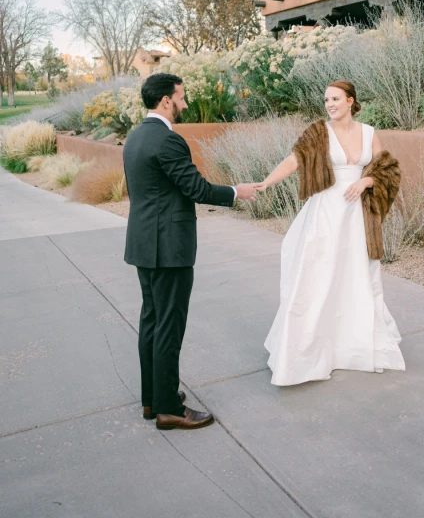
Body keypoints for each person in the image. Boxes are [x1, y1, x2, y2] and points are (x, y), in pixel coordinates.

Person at [123, 73, 257, 430]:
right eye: (180, 98)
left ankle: (153, 397)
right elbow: (195, 188)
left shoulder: (134, 138)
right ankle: (169, 409)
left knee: (152, 322)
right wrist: (235, 192)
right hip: (169, 249)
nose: (184, 104)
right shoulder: (168, 141)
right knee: (169, 326)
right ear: (166, 100)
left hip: (143, 245)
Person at [256, 81, 405, 386]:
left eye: (336, 98)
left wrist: (366, 182)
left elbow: (387, 169)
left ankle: (350, 349)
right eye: (326, 99)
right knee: (318, 277)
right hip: (325, 213)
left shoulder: (369, 132)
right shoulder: (318, 132)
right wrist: (266, 183)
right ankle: (307, 352)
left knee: (355, 277)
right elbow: (295, 160)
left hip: (358, 217)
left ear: (351, 100)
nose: (330, 104)